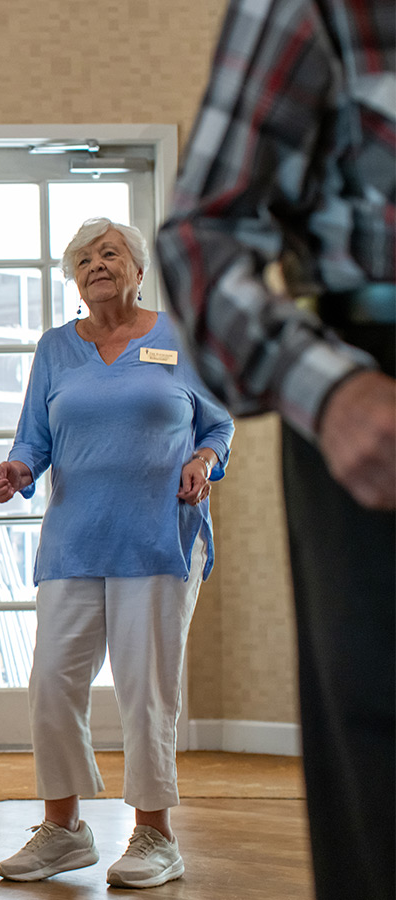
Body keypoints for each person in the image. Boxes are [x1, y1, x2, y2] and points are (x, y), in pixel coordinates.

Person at [155, 2, 394, 896]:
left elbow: (205, 426)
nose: (99, 272)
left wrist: (205, 459)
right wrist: (333, 396)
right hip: (373, 415)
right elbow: (203, 240)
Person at [0, 219, 234, 889]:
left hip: (158, 537)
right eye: (84, 259)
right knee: (52, 685)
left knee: (146, 689)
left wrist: (206, 459)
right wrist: (16, 470)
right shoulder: (55, 349)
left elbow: (218, 422)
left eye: (110, 253)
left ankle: (156, 835)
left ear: (137, 268)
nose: (97, 264)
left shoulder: (175, 337)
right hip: (73, 539)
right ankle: (63, 831)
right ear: (72, 278)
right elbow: (33, 439)